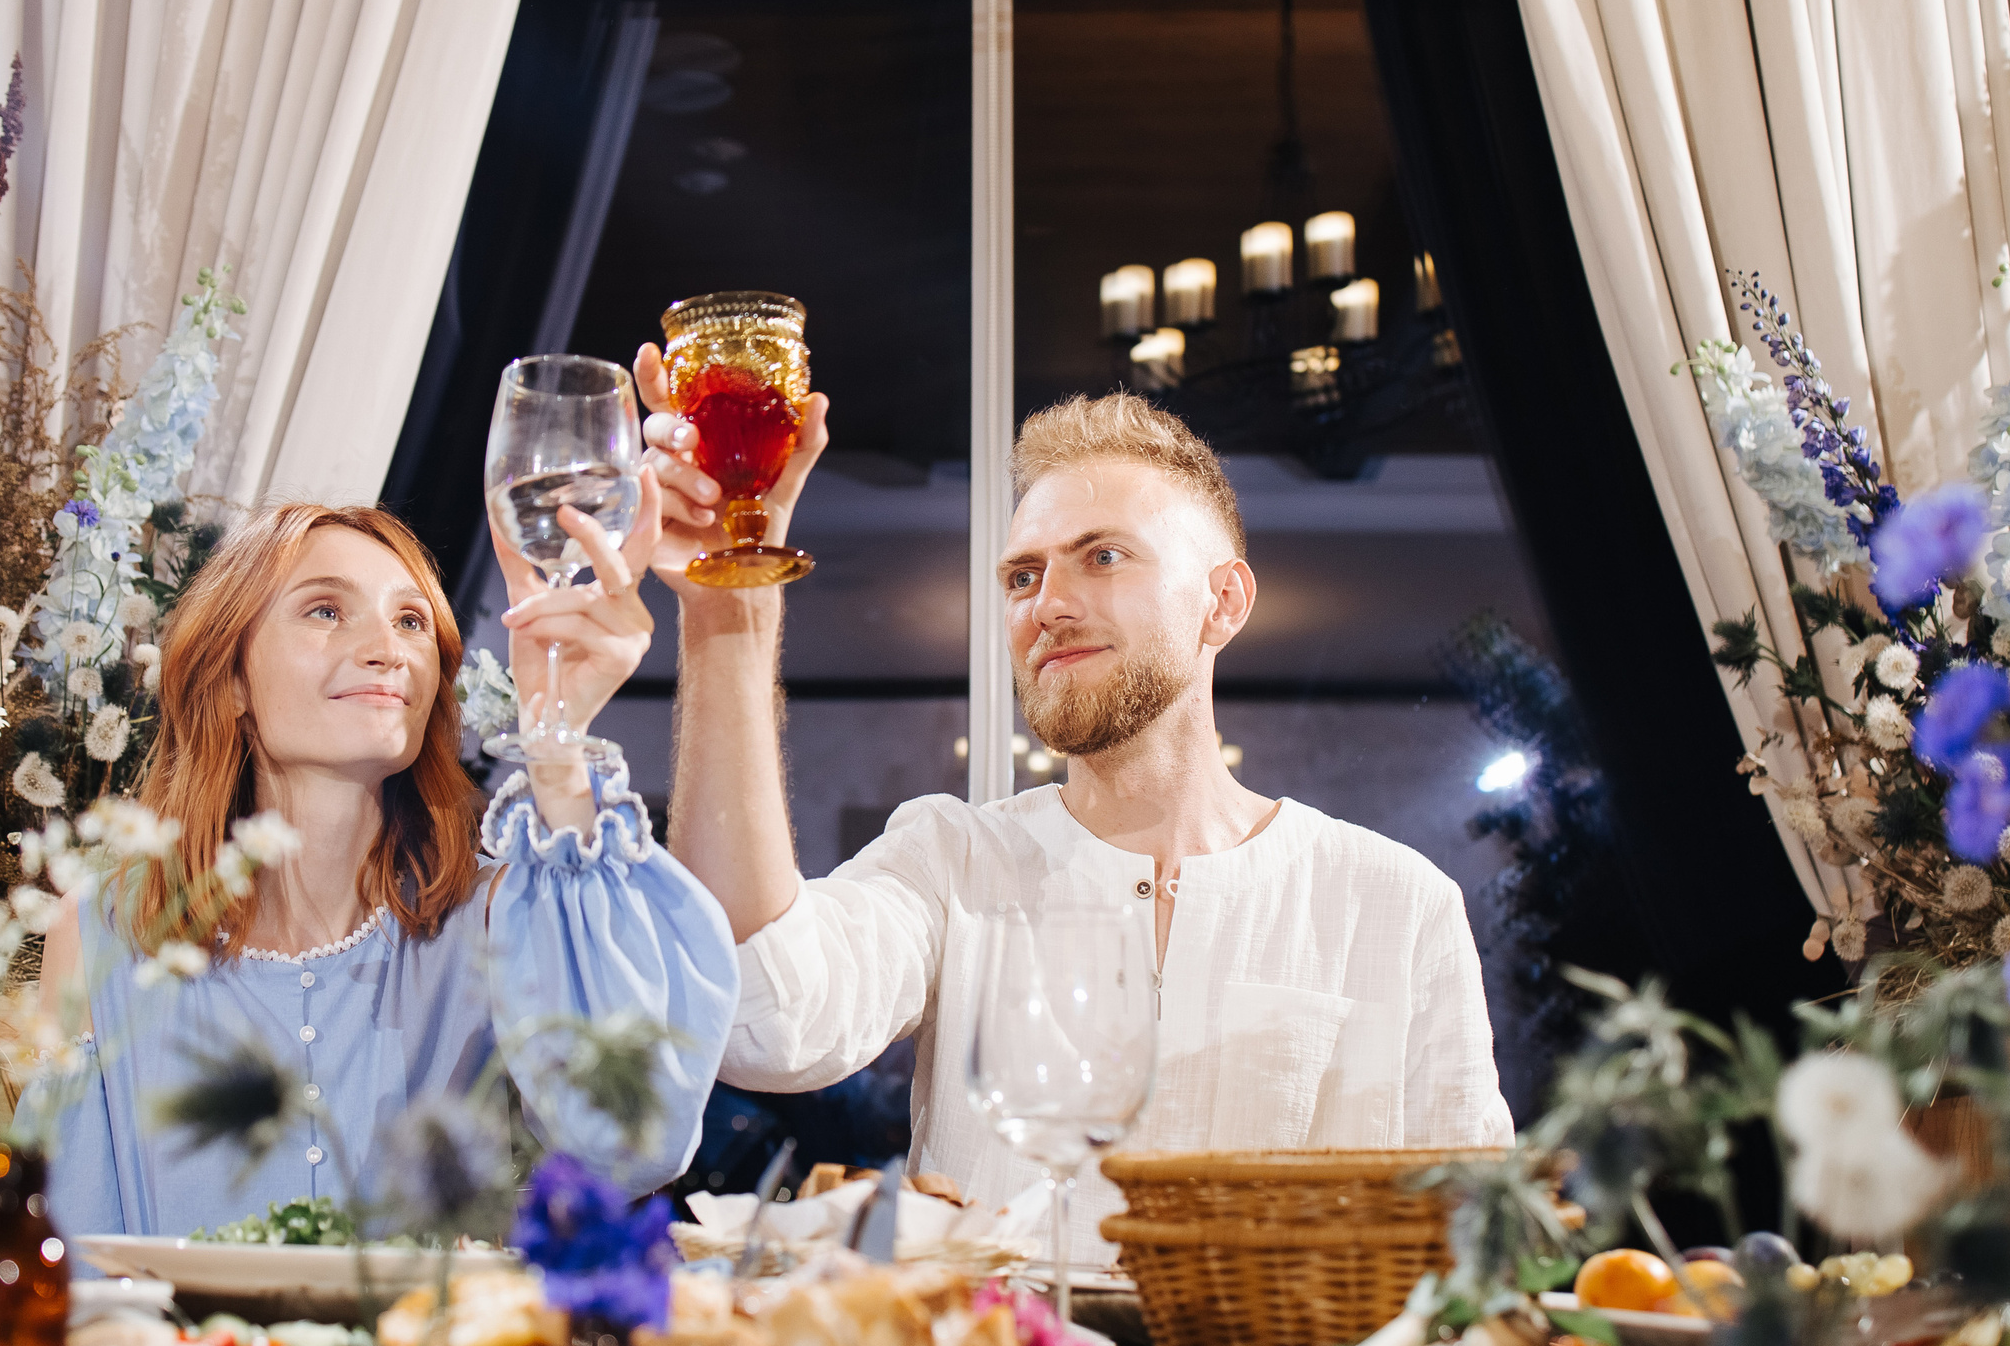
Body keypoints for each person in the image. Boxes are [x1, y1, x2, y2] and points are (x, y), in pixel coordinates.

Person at [640, 368, 1513, 1260]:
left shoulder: (1398, 904)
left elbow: (1480, 1243)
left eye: (1103, 555)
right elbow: (765, 1010)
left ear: (1225, 601)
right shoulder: (952, 862)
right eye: (1023, 574)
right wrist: (727, 614)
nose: (1046, 605)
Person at [36, 498, 737, 1240]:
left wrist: (558, 748)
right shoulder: (103, 930)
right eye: (325, 610)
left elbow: (631, 1143)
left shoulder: (500, 913)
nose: (387, 647)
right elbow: (67, 1245)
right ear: (232, 679)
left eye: (411, 621)